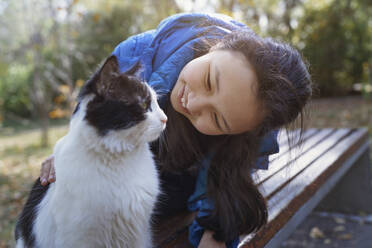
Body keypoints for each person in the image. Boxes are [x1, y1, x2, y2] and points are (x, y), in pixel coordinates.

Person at [39, 13, 312, 248]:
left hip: (174, 181)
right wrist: (75, 148)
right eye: (208, 80)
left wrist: (213, 229)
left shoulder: (254, 125)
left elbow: (228, 178)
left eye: (217, 119)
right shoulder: (137, 55)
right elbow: (91, 112)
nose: (192, 103)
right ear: (216, 46)